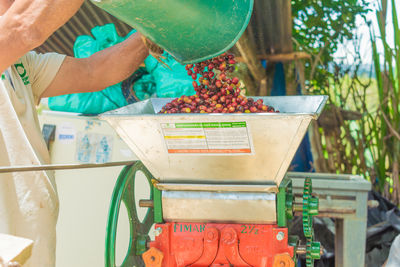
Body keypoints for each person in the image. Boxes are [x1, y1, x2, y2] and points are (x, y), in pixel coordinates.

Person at [0, 1, 156, 266]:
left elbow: (94, 71)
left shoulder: (20, 64)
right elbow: (26, 27)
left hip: (32, 245)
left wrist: (151, 36)